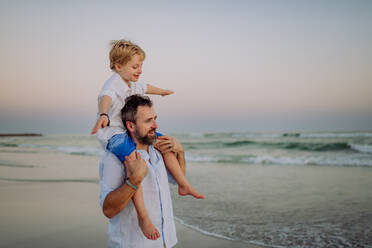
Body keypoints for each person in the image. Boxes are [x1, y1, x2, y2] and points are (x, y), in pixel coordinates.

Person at [93, 39, 203, 240]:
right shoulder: (113, 84)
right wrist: (103, 115)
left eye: (155, 119)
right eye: (135, 66)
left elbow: (147, 87)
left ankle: (184, 184)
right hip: (115, 135)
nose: (140, 70)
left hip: (165, 241)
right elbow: (105, 98)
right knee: (135, 162)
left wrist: (162, 92)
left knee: (167, 145)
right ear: (119, 66)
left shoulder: (133, 86)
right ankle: (143, 217)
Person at [99, 95, 181, 247]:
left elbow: (178, 179)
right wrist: (134, 181)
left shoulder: (157, 150)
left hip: (165, 241)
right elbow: (108, 210)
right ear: (131, 126)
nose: (156, 125)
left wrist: (181, 152)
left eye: (154, 118)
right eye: (148, 121)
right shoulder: (114, 158)